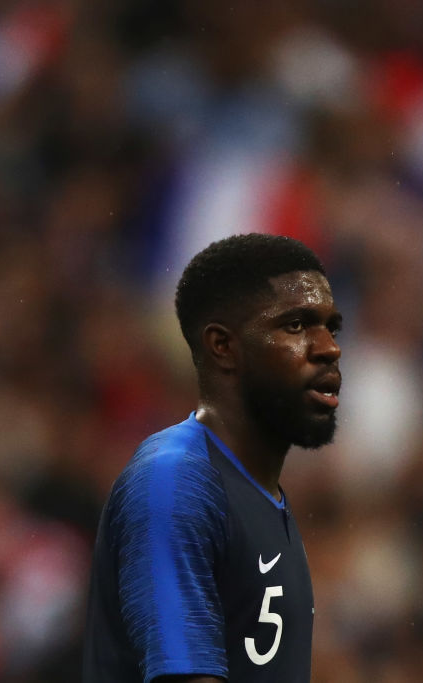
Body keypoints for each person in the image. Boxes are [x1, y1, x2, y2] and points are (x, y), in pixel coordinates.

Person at [82, 234, 342, 682]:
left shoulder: (263, 497)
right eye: (297, 325)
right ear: (223, 346)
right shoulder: (176, 479)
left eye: (330, 327)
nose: (328, 347)